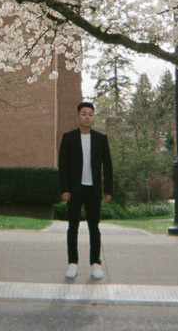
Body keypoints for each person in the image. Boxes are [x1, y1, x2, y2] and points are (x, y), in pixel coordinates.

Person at [58, 101, 113, 280]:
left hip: (93, 190)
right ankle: (72, 263)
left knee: (94, 228)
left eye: (90, 114)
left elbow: (108, 166)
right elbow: (63, 166)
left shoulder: (101, 139)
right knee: (72, 227)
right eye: (84, 114)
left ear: (93, 117)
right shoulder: (68, 138)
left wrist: (108, 190)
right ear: (78, 116)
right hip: (74, 190)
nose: (87, 117)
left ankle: (95, 263)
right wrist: (64, 188)